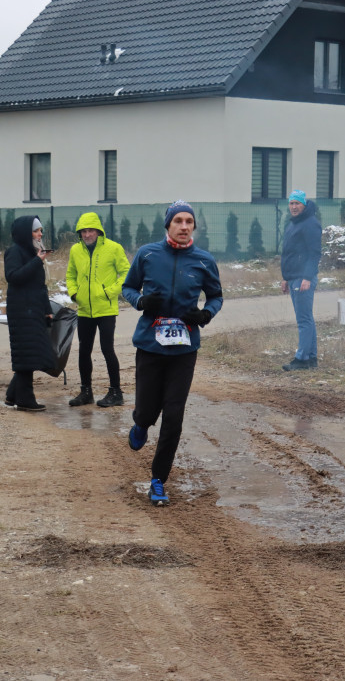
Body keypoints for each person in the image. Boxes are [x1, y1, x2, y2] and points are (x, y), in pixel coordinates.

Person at [122, 200, 223, 506]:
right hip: (150, 345)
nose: (183, 226)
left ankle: (158, 480)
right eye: (177, 220)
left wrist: (205, 316)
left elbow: (216, 297)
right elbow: (127, 288)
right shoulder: (148, 254)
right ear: (167, 225)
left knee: (174, 414)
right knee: (148, 409)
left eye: (188, 221)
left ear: (194, 226)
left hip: (184, 348)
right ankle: (140, 423)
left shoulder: (204, 261)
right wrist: (141, 302)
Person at [65, 212, 130, 408]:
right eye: (83, 231)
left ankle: (116, 392)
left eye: (90, 230)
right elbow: (70, 274)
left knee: (107, 349)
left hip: (106, 309)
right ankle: (86, 392)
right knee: (84, 350)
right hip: (85, 309)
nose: (87, 234)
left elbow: (127, 272)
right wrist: (74, 294)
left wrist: (110, 292)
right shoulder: (75, 250)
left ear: (99, 231)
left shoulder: (113, 248)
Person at [3, 215, 56, 411]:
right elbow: (13, 277)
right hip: (21, 310)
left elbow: (39, 286)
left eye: (41, 230)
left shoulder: (34, 252)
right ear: (25, 233)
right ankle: (25, 400)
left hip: (34, 309)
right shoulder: (14, 252)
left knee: (31, 352)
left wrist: (47, 309)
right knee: (27, 355)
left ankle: (12, 395)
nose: (40, 234)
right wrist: (36, 261)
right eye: (36, 230)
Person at [279, 189, 322, 371]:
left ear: (304, 205)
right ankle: (310, 358)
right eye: (291, 203)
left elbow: (314, 253)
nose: (294, 207)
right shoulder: (293, 224)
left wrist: (307, 277)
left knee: (303, 319)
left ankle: (302, 359)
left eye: (297, 203)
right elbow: (289, 253)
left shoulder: (310, 224)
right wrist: (285, 278)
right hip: (294, 277)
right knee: (306, 318)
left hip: (303, 278)